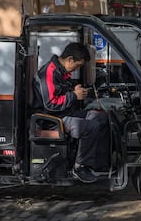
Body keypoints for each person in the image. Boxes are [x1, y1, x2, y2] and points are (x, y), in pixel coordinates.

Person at [32, 42, 109, 183]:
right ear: (70, 60)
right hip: (51, 119)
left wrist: (77, 91)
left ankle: (99, 163)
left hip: (65, 113)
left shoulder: (63, 72)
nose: (76, 69)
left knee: (102, 117)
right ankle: (80, 167)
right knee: (90, 127)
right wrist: (74, 95)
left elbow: (66, 93)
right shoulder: (48, 72)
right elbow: (50, 104)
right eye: (77, 65)